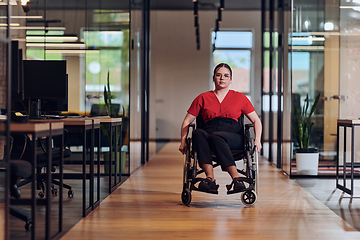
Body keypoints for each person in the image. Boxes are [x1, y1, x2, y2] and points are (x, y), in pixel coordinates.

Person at [179, 63, 262, 193]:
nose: (222, 78)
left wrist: (257, 140)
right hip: (209, 134)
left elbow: (256, 120)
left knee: (216, 136)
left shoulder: (240, 97)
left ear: (230, 79)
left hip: (233, 136)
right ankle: (210, 178)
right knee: (197, 133)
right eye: (218, 75)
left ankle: (236, 178)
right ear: (213, 78)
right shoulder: (203, 98)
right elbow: (187, 121)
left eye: (226, 76)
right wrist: (183, 141)